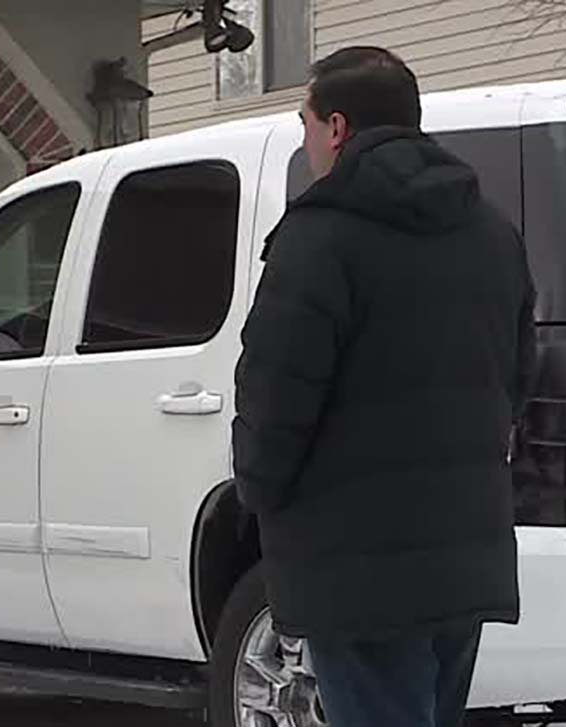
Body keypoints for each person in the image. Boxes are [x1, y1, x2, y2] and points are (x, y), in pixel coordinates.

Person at [231, 47, 536, 727]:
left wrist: (257, 488)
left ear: (337, 127)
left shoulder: (318, 241)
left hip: (353, 560)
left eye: (306, 123)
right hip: (464, 544)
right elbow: (518, 375)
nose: (306, 140)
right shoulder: (490, 232)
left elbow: (275, 394)